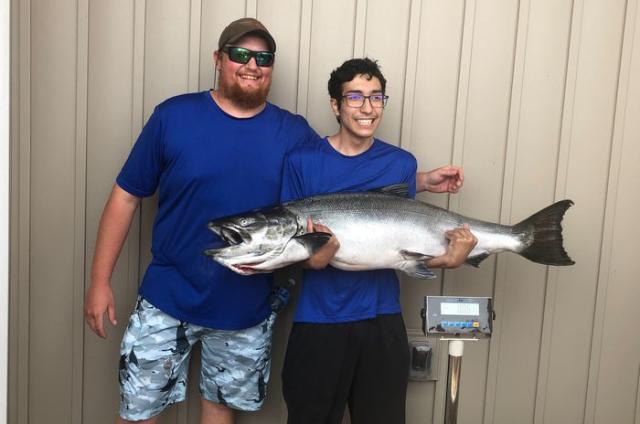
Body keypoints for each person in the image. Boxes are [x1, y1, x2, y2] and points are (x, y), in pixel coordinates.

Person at [83, 18, 317, 424]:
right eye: (240, 54)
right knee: (138, 412)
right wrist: (100, 281)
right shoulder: (174, 117)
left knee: (219, 411)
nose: (252, 65)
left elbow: (339, 174)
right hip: (166, 297)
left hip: (245, 305)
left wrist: (415, 180)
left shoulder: (292, 132)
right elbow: (126, 196)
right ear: (218, 59)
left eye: (263, 57)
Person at [280, 58, 477, 424]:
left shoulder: (400, 164)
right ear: (335, 105)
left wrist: (449, 258)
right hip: (319, 321)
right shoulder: (301, 162)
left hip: (382, 321)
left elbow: (399, 244)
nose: (368, 108)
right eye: (355, 97)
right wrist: (314, 258)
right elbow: (290, 245)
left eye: (376, 97)